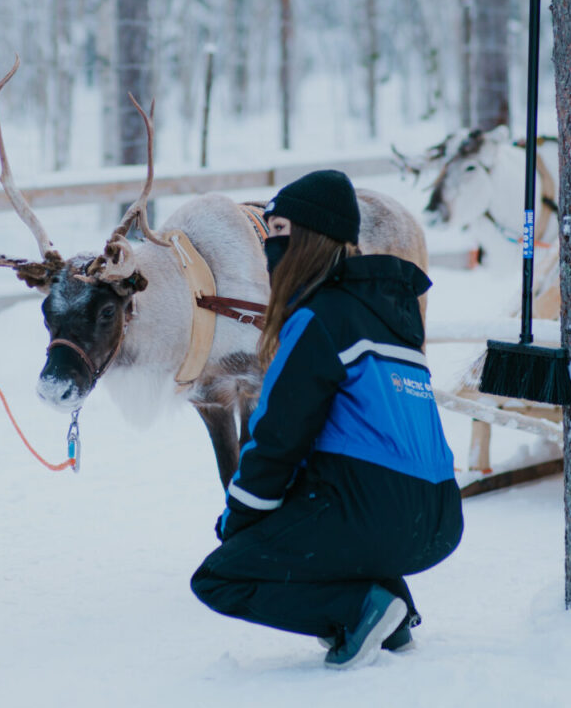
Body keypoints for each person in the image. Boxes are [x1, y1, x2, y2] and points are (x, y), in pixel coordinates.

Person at [190, 169, 463, 669]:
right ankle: (391, 613)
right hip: (441, 514)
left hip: (378, 510)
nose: (266, 250)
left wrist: (241, 523)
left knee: (221, 577)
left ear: (309, 238)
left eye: (275, 233)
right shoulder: (389, 313)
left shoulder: (317, 319)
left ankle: (359, 609)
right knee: (300, 512)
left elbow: (278, 439)